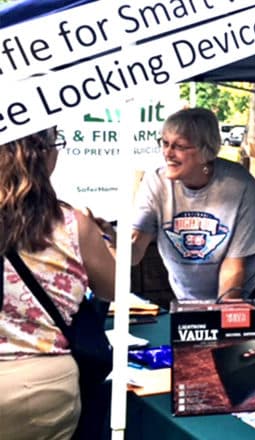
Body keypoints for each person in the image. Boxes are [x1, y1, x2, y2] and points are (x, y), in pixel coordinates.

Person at [0, 128, 116, 439]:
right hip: (44, 388)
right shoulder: (73, 224)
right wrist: (107, 243)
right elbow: (113, 287)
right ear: (44, 155)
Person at [131, 108, 255, 301]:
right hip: (190, 297)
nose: (167, 153)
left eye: (179, 146)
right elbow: (135, 251)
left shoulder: (239, 185)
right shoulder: (155, 182)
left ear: (206, 151)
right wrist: (111, 241)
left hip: (253, 291)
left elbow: (233, 267)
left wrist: (219, 320)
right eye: (164, 143)